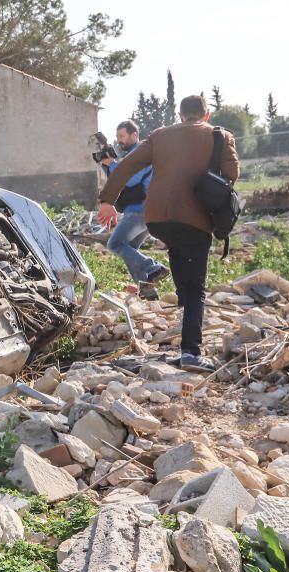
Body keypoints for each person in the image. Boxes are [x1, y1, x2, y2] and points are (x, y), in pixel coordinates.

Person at [97, 95, 239, 372]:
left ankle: (186, 335)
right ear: (206, 115)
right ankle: (191, 352)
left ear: (180, 113)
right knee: (196, 287)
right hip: (195, 219)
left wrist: (107, 201)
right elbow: (231, 173)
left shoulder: (160, 135)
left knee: (183, 278)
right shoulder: (220, 136)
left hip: (159, 219)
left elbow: (125, 165)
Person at [100, 120, 168, 299]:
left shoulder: (141, 153)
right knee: (129, 249)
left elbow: (129, 180)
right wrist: (106, 164)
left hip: (140, 209)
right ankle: (146, 290)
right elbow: (117, 181)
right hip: (141, 210)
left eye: (122, 136)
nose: (119, 140)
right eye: (117, 137)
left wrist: (113, 163)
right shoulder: (131, 154)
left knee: (114, 244)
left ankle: (152, 267)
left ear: (134, 135)